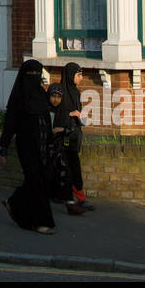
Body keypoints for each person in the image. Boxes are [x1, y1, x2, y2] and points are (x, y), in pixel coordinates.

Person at [0, 59, 56, 234]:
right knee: (35, 181)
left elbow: (46, 120)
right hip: (27, 146)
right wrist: (3, 148)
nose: (34, 78)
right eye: (31, 74)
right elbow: (10, 124)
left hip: (43, 145)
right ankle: (40, 222)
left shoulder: (41, 94)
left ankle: (14, 202)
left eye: (37, 74)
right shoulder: (18, 97)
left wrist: (51, 144)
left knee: (39, 181)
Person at [58, 62, 95, 212]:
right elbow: (55, 114)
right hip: (63, 137)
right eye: (78, 75)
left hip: (74, 137)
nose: (81, 78)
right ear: (70, 75)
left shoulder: (76, 93)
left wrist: (80, 116)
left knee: (73, 167)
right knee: (68, 168)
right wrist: (70, 115)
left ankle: (75, 197)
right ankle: (77, 198)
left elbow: (80, 116)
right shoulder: (60, 93)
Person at [46, 83, 84, 215]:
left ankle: (69, 202)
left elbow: (69, 128)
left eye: (58, 97)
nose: (56, 100)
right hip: (46, 148)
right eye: (53, 96)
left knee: (65, 173)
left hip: (59, 147)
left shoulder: (63, 111)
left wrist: (61, 129)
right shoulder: (46, 111)